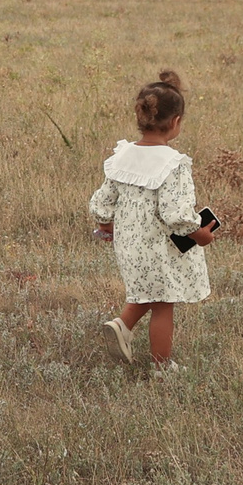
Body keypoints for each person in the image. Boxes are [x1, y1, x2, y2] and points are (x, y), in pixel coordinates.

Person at [91, 71, 215, 372]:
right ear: (176, 122)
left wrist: (106, 225)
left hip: (129, 247)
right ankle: (162, 368)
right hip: (161, 249)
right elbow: (177, 216)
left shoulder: (122, 156)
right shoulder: (174, 165)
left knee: (147, 290)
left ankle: (121, 325)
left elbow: (102, 201)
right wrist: (200, 234)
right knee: (163, 305)